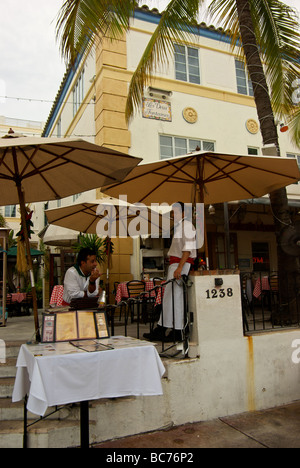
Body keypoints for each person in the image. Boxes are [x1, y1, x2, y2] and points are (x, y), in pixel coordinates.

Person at [144, 202, 197, 342]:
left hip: (181, 263)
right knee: (169, 297)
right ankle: (164, 327)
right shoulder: (182, 227)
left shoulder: (188, 227)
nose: (174, 215)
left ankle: (177, 330)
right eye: (173, 212)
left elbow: (188, 249)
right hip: (176, 263)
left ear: (184, 213)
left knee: (176, 297)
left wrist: (180, 267)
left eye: (176, 212)